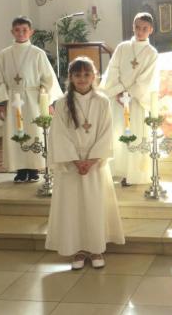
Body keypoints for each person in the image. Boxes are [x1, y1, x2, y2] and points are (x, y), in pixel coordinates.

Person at [45, 57, 125, 270]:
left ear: (94, 76)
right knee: (73, 207)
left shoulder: (102, 102)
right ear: (70, 77)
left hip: (95, 164)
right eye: (77, 75)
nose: (82, 79)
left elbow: (107, 132)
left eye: (86, 74)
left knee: (94, 205)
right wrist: (75, 159)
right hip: (71, 165)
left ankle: (96, 247)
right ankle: (78, 249)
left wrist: (91, 159)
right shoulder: (62, 104)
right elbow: (59, 135)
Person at [0, 16, 63, 183]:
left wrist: (48, 102)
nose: (21, 33)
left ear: (31, 32)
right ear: (12, 31)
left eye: (24, 30)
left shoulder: (38, 53)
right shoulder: (4, 55)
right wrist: (0, 103)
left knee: (34, 131)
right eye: (17, 30)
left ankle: (34, 168)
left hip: (34, 99)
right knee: (16, 132)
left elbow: (48, 79)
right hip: (13, 99)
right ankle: (21, 170)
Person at [100, 12, 158, 186]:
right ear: (133, 27)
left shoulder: (151, 53)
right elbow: (113, 69)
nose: (140, 31)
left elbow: (147, 78)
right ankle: (118, 171)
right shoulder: (122, 47)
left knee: (135, 134)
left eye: (144, 29)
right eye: (137, 27)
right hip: (118, 100)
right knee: (118, 133)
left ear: (151, 30)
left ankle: (133, 174)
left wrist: (129, 93)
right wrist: (118, 92)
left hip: (136, 102)